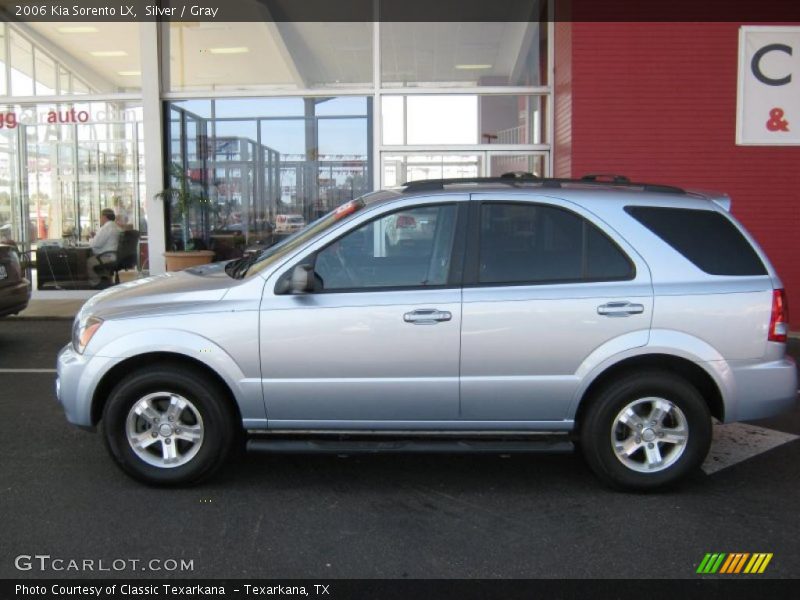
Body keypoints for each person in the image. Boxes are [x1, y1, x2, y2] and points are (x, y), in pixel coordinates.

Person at [87, 208, 121, 289]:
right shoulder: (115, 227)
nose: (100, 219)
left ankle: (96, 284)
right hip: (113, 255)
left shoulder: (107, 228)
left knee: (89, 262)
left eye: (100, 217)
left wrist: (90, 239)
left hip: (107, 256)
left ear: (104, 217)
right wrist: (95, 237)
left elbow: (96, 244)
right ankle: (104, 281)